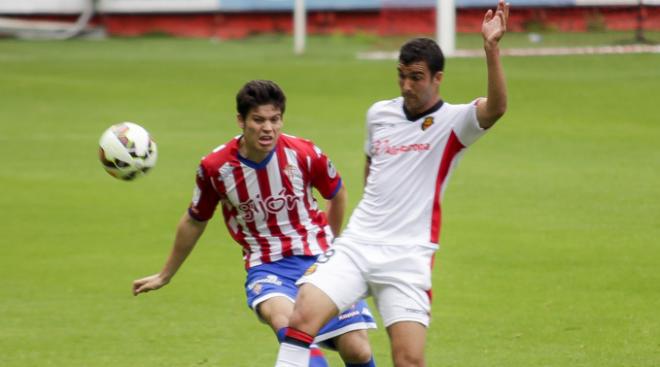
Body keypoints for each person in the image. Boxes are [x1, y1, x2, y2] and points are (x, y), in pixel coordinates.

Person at [274, 2, 510, 367]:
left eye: (416, 77)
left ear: (437, 78)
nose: (406, 85)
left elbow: (496, 107)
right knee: (302, 316)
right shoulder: (379, 113)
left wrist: (491, 49)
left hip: (407, 255)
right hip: (358, 244)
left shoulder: (454, 123)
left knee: (408, 360)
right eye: (401, 75)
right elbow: (373, 172)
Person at [133, 80, 377, 367]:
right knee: (289, 326)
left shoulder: (305, 154)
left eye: (275, 120)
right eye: (258, 120)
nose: (268, 128)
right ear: (241, 120)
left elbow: (337, 194)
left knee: (357, 350)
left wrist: (330, 250)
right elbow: (195, 220)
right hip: (268, 267)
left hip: (320, 258)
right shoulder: (216, 168)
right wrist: (165, 274)